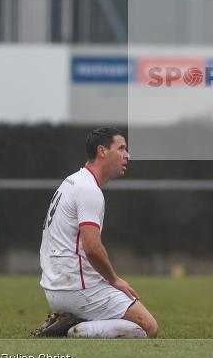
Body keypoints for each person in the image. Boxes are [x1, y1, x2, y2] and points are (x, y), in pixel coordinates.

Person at [31, 127, 158, 338]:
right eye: (122, 148)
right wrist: (115, 280)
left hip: (54, 287)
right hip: (78, 289)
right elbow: (92, 248)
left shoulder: (71, 181)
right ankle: (73, 329)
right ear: (102, 151)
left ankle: (68, 319)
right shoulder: (89, 189)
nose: (127, 155)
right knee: (148, 328)